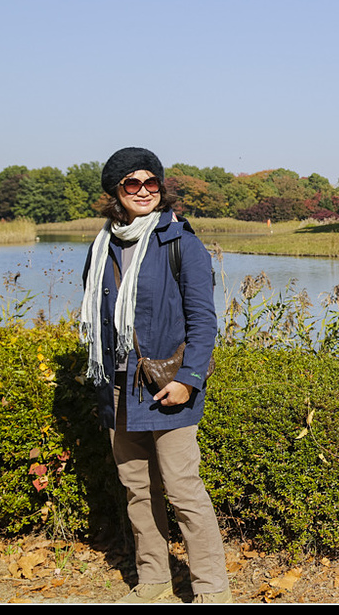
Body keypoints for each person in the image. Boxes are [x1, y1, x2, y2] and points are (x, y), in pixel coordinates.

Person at [79, 147, 231, 603]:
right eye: (133, 183)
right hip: (117, 385)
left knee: (184, 491)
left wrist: (188, 379)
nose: (144, 191)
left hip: (167, 385)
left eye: (151, 183)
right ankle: (154, 581)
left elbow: (203, 322)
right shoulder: (103, 246)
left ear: (161, 189)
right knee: (137, 490)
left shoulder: (181, 242)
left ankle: (212, 590)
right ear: (116, 191)